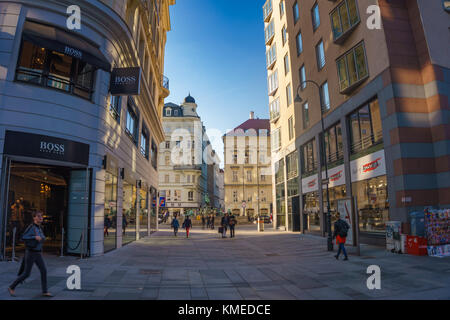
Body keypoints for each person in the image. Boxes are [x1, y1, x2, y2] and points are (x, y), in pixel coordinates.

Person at [8, 211, 52, 297]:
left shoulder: (39, 228)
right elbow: (23, 237)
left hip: (37, 253)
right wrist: (34, 237)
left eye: (41, 216)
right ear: (34, 218)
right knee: (26, 274)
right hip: (31, 253)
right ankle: (11, 287)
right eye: (39, 216)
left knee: (44, 271)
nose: (41, 218)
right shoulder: (31, 227)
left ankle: (45, 291)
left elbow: (42, 238)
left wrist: (42, 238)